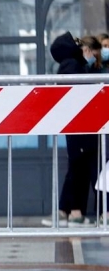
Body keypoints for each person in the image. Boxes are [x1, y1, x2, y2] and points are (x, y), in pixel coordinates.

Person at [43, 32, 98, 227]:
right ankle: (74, 212)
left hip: (78, 129)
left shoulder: (70, 64)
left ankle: (72, 212)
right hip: (81, 130)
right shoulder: (72, 65)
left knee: (78, 170)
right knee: (80, 171)